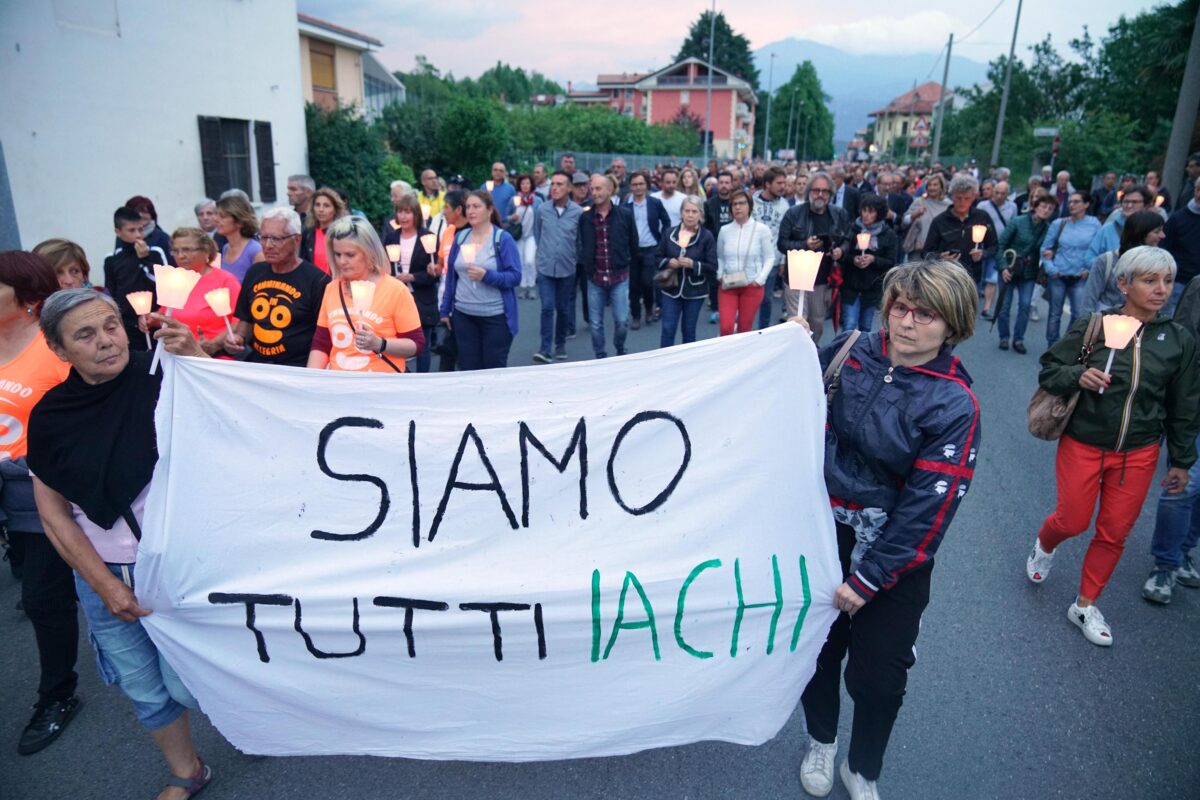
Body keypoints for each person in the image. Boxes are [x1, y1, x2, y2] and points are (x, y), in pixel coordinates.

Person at [798, 259, 981, 800]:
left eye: (925, 314)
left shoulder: (955, 402)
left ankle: (863, 766)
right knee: (817, 652)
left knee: (878, 680)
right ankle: (821, 740)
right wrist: (790, 350)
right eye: (900, 307)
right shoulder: (852, 350)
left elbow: (931, 507)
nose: (906, 322)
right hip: (823, 532)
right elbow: (791, 401)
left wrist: (869, 578)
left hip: (894, 555)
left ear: (953, 323)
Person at [28, 289, 214, 798]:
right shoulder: (49, 417)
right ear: (60, 351)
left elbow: (233, 423)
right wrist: (104, 584)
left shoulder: (166, 375)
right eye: (85, 335)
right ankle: (187, 773)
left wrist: (195, 357)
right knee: (145, 688)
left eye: (111, 326)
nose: (106, 341)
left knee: (193, 682)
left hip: (182, 563)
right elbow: (54, 515)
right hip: (104, 572)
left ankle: (249, 721)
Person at [1028, 246, 1198, 645]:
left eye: (1168, 281)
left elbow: (1184, 404)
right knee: (1072, 520)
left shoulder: (1176, 340)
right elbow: (1050, 369)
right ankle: (1044, 544)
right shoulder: (1094, 324)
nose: (1161, 290)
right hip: (1084, 442)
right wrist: (1079, 375)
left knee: (1115, 531)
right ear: (1123, 284)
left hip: (1138, 453)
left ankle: (1085, 605)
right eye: (1149, 280)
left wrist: (1182, 460)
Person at [0, 252, 80, 756]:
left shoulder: (55, 349)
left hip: (42, 495)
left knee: (43, 601)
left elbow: (80, 421)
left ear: (26, 297)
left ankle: (57, 695)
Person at [308, 217, 423, 373]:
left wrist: (380, 344)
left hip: (381, 386)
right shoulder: (332, 288)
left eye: (350, 254)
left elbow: (416, 345)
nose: (342, 261)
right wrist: (310, 379)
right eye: (337, 254)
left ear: (369, 252)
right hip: (339, 387)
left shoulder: (395, 290)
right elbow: (322, 343)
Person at [222, 208, 331, 367]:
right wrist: (237, 339)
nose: (268, 245)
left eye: (276, 239)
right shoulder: (255, 272)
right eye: (263, 237)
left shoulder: (317, 280)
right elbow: (246, 320)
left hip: (297, 368)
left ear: (296, 240)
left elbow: (323, 336)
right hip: (258, 365)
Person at [440, 191, 522, 370]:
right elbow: (452, 277)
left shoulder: (502, 239)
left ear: (489, 210)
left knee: (493, 369)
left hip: (495, 317)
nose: (471, 211)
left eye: (476, 206)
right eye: (468, 207)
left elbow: (515, 276)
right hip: (464, 315)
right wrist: (445, 309)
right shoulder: (460, 238)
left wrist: (487, 275)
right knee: (468, 369)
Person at [143, 228, 241, 358]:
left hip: (214, 356)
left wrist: (214, 344)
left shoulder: (225, 281)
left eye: (187, 250)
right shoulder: (173, 279)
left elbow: (238, 322)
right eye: (175, 251)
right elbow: (167, 313)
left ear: (206, 251)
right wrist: (151, 318)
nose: (180, 256)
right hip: (176, 356)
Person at [778, 172, 851, 341]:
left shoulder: (839, 214)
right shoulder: (793, 213)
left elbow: (847, 239)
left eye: (825, 191)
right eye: (816, 190)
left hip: (822, 280)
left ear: (831, 194)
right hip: (796, 278)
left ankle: (811, 355)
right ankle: (796, 360)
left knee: (817, 324)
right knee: (798, 324)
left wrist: (841, 251)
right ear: (808, 191)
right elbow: (782, 244)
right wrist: (805, 245)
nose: (820, 194)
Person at [577, 174, 639, 359]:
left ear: (609, 190)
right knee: (595, 324)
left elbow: (633, 243)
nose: (594, 193)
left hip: (619, 276)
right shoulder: (586, 217)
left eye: (598, 188)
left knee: (621, 321)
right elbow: (581, 243)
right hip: (595, 277)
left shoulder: (625, 215)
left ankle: (620, 347)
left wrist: (629, 266)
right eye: (592, 189)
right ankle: (601, 356)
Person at [380, 194, 439, 373]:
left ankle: (422, 380)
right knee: (397, 342)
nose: (403, 216)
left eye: (408, 212)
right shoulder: (391, 237)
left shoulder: (428, 237)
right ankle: (402, 375)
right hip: (396, 298)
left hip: (422, 298)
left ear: (416, 214)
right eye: (400, 212)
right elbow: (383, 266)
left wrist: (412, 277)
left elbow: (434, 273)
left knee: (422, 345)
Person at [995, 194, 1058, 353]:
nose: (1046, 210)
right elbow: (1001, 245)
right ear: (1035, 206)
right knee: (1004, 305)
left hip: (1028, 272)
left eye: (1050, 209)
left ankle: (1018, 339)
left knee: (1024, 305)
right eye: (1043, 206)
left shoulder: (1049, 229)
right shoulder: (1018, 221)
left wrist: (1051, 252)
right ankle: (1004, 336)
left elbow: (1051, 247)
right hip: (1009, 267)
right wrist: (1003, 267)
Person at [532, 171, 582, 363]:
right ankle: (545, 348)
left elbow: (580, 241)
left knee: (562, 309)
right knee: (547, 307)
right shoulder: (542, 210)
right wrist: (543, 254)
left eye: (560, 184)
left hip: (567, 268)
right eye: (553, 184)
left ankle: (560, 344)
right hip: (545, 267)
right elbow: (538, 234)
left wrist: (573, 257)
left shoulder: (577, 212)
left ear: (569, 188)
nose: (555, 188)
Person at [1041, 192, 1102, 346]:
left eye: (1076, 201)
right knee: (1055, 313)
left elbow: (1100, 250)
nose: (1072, 205)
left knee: (1077, 314)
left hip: (1080, 276)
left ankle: (1066, 345)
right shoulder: (1059, 223)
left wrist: (1089, 269)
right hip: (1058, 274)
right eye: (1070, 202)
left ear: (1086, 204)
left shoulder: (1094, 224)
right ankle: (1052, 345)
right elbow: (1045, 248)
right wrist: (1051, 269)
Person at [656, 195, 716, 347]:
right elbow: (657, 258)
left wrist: (693, 264)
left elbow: (712, 266)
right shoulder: (669, 233)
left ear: (700, 214)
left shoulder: (706, 236)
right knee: (668, 328)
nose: (690, 215)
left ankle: (686, 367)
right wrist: (668, 262)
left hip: (695, 290)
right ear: (681, 213)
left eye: (694, 211)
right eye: (687, 211)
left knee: (688, 331)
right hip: (671, 288)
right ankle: (664, 364)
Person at [104, 206, 167, 350]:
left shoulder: (155, 254)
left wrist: (146, 259)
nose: (138, 235)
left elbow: (163, 285)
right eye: (131, 230)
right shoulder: (112, 261)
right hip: (128, 323)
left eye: (140, 229)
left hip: (154, 319)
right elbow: (112, 293)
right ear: (118, 232)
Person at [1081, 210, 1166, 315]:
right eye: (1157, 231)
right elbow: (1088, 301)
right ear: (1140, 233)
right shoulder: (1106, 261)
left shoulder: (1159, 264)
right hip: (1107, 325)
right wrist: (1087, 327)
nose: (1163, 235)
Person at [922, 174, 997, 287]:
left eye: (967, 198)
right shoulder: (940, 221)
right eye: (958, 198)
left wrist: (983, 254)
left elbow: (994, 245)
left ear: (974, 197)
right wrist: (940, 257)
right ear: (952, 196)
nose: (962, 202)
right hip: (945, 278)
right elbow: (926, 252)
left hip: (971, 277)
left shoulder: (982, 217)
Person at [716, 190, 773, 336]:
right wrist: (720, 274)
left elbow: (769, 257)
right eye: (734, 204)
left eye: (742, 203)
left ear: (749, 206)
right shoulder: (724, 230)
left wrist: (760, 279)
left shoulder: (762, 230)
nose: (738, 207)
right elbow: (720, 256)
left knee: (744, 329)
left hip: (751, 285)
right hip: (728, 284)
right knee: (726, 328)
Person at [839, 193, 898, 333]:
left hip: (872, 287)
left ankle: (860, 355)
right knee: (849, 325)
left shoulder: (888, 234)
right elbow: (842, 254)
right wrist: (853, 259)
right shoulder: (852, 229)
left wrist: (873, 259)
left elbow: (891, 261)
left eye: (871, 211)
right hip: (851, 284)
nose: (866, 215)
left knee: (865, 327)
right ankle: (845, 354)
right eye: (864, 210)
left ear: (879, 213)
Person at [622, 171, 670, 330]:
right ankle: (635, 316)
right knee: (633, 285)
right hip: (633, 250)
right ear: (630, 187)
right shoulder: (625, 206)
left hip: (651, 248)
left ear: (646, 185)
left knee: (647, 282)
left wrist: (663, 240)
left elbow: (666, 221)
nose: (638, 188)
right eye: (635, 184)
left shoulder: (655, 203)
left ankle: (649, 308)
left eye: (641, 184)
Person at [752, 168, 791, 329]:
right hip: (751, 258)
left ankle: (763, 330)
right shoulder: (751, 201)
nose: (783, 186)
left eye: (784, 182)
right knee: (748, 296)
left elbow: (785, 234)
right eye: (779, 183)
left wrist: (782, 260)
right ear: (767, 184)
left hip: (772, 259)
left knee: (766, 299)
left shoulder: (784, 205)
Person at [978, 180, 1016, 318]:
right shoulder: (983, 205)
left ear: (1007, 194)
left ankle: (987, 308)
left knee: (992, 278)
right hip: (982, 244)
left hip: (1000, 247)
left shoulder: (1012, 207)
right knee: (977, 276)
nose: (999, 196)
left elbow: (1013, 226)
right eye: (997, 192)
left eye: (1003, 193)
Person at [1162, 177, 1200, 316]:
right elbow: (1164, 248)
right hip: (1179, 281)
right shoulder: (1178, 218)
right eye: (1198, 189)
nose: (1199, 195)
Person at [1086, 185, 1152, 262]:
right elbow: (1089, 259)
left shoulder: (1154, 230)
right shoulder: (1107, 230)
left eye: (1135, 202)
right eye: (1126, 201)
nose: (1129, 205)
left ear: (1146, 206)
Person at [900, 173, 950, 261]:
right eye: (929, 185)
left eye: (935, 185)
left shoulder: (948, 205)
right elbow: (904, 221)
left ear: (942, 187)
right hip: (918, 250)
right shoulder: (919, 202)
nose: (932, 187)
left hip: (940, 251)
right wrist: (915, 214)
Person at [300, 187, 349, 275]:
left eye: (326, 205)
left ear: (335, 209)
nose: (321, 209)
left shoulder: (343, 233)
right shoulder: (308, 233)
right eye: (317, 205)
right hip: (314, 284)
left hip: (335, 283)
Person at [214, 194, 263, 283]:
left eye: (222, 216)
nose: (216, 219)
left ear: (239, 222)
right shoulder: (225, 248)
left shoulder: (255, 251)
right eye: (216, 215)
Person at [508, 174, 541, 299]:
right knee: (520, 262)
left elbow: (541, 217)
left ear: (531, 185)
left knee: (530, 261)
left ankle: (531, 286)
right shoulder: (514, 200)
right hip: (518, 236)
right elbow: (506, 217)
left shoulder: (537, 200)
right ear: (519, 185)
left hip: (532, 235)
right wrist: (512, 218)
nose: (525, 186)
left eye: (527, 183)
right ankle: (523, 286)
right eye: (522, 183)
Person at [116, 196, 175, 266]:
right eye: (137, 213)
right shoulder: (123, 236)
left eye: (145, 215)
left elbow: (169, 269)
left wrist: (147, 258)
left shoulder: (162, 238)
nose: (141, 215)